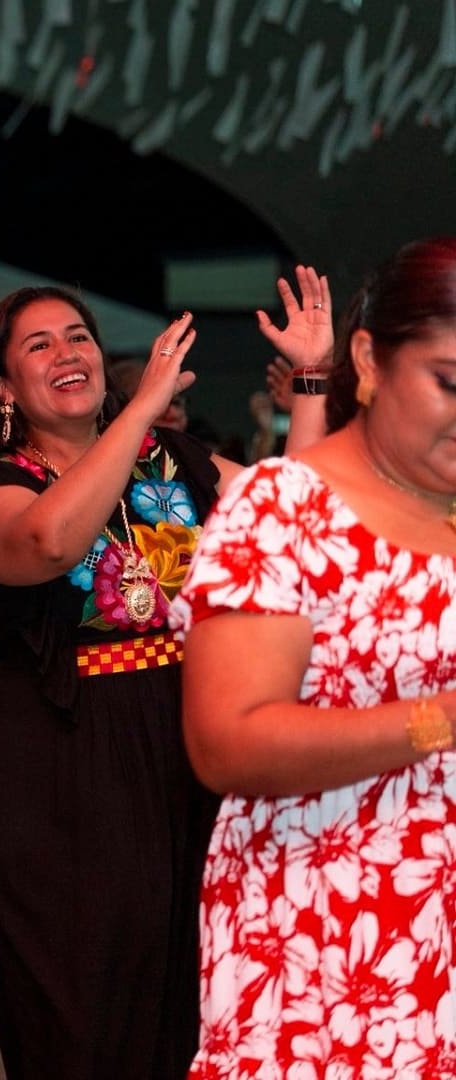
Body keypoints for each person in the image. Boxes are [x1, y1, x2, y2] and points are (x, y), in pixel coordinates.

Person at [0, 267, 334, 1078]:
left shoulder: (172, 462)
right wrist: (139, 405)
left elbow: (292, 515)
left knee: (192, 1006)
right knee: (79, 1018)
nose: (67, 352)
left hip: (178, 756)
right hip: (45, 773)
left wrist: (313, 379)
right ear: (3, 384)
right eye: (39, 344)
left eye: (79, 337)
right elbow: (47, 544)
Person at [176, 238, 456, 1078]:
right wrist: (437, 720)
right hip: (332, 927)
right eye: (450, 382)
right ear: (369, 357)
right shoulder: (282, 508)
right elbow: (226, 743)